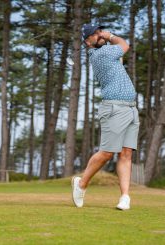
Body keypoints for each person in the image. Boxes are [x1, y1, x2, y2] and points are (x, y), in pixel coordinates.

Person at [71, 24, 139, 210]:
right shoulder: (99, 54)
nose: (98, 34)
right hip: (114, 107)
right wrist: (110, 36)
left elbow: (121, 54)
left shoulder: (108, 53)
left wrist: (106, 39)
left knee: (126, 154)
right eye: (94, 34)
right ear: (87, 42)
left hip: (131, 108)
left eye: (99, 31)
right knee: (107, 153)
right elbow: (124, 45)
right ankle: (81, 184)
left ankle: (125, 197)